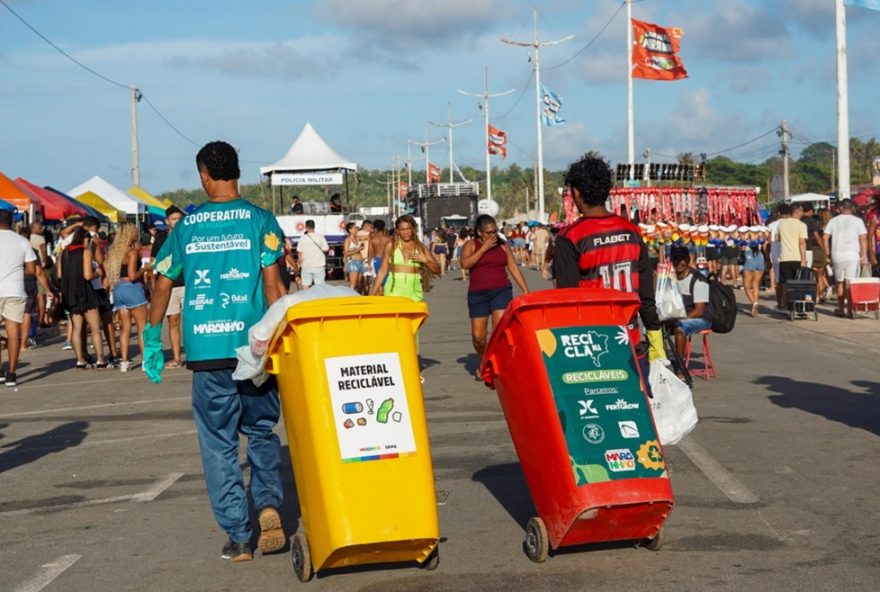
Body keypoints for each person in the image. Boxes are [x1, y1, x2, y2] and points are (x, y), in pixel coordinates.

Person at [145, 141, 287, 562]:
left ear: (204, 175)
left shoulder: (185, 228)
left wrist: (153, 339)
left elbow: (163, 284)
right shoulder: (260, 220)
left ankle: (240, 537)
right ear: (238, 173)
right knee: (261, 432)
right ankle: (267, 504)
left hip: (207, 353)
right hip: (255, 349)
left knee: (219, 444)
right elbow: (275, 286)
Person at [552, 155, 665, 366]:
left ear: (576, 192)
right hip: (631, 342)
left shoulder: (569, 237)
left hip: (592, 345)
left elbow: (566, 299)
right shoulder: (632, 232)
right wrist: (656, 341)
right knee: (638, 398)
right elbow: (647, 295)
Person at [460, 215, 528, 376]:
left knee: (499, 332)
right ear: (479, 232)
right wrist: (483, 248)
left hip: (501, 291)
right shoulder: (471, 245)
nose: (492, 235)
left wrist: (525, 290)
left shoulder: (503, 245)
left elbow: (513, 267)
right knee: (478, 337)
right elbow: (465, 264)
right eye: (488, 232)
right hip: (478, 294)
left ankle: (497, 365)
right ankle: (484, 359)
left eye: (494, 231)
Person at [58, 227, 110, 369]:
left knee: (76, 328)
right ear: (84, 239)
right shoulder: (85, 252)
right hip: (85, 292)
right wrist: (97, 272)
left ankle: (80, 360)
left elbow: (60, 275)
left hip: (70, 293)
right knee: (95, 329)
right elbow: (88, 275)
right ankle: (100, 359)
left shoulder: (65, 252)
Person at [105, 223, 149, 372]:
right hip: (132, 290)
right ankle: (145, 361)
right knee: (142, 328)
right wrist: (144, 269)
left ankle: (124, 362)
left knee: (125, 329)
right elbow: (132, 276)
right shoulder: (132, 252)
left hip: (119, 290)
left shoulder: (114, 252)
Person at [0, 210, 37, 386]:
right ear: (12, 223)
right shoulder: (22, 241)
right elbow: (31, 270)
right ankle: (12, 374)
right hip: (15, 290)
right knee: (13, 332)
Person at [370, 214, 440, 302]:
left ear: (413, 229)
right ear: (397, 230)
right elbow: (382, 272)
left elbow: (437, 270)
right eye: (402, 229)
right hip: (393, 292)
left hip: (414, 293)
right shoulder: (391, 246)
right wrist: (371, 295)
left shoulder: (420, 247)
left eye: (408, 228)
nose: (406, 232)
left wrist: (424, 260)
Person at [151, 206, 186, 367]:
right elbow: (154, 263)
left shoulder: (189, 235)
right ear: (167, 221)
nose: (177, 222)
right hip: (169, 286)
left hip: (189, 283)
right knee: (173, 320)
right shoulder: (160, 239)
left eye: (180, 218)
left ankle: (194, 355)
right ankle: (177, 357)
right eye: (174, 219)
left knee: (191, 320)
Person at [823, 199, 868, 317]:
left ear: (840, 208)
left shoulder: (833, 221)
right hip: (853, 255)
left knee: (839, 282)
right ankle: (850, 310)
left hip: (837, 255)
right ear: (852, 208)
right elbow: (863, 238)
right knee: (850, 283)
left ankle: (841, 309)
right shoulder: (858, 221)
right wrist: (864, 255)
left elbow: (825, 237)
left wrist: (827, 252)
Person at [669, 246, 714, 363]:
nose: (679, 262)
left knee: (679, 327)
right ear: (671, 260)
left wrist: (676, 319)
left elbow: (699, 311)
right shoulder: (670, 278)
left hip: (702, 319)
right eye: (676, 259)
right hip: (679, 316)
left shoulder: (698, 280)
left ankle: (680, 368)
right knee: (652, 325)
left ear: (688, 260)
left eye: (682, 259)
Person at [773, 203, 808, 310]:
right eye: (801, 211)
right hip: (797, 258)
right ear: (797, 211)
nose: (803, 213)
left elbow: (777, 238)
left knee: (785, 284)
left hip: (784, 258)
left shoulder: (782, 224)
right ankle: (797, 305)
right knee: (797, 284)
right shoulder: (801, 225)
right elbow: (802, 243)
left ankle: (785, 305)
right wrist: (803, 259)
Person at [297, 219, 330, 289]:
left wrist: (299, 263)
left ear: (306, 227)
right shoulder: (321, 237)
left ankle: (307, 299)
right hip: (319, 264)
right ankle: (319, 298)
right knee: (320, 285)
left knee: (305, 285)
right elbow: (326, 249)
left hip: (306, 264)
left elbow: (300, 253)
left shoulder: (303, 238)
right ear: (314, 227)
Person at [742, 227, 767, 317]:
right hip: (760, 259)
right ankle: (755, 304)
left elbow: (742, 248)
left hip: (749, 259)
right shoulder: (760, 237)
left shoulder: (746, 237)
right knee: (756, 285)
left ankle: (754, 303)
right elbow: (765, 247)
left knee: (747, 286)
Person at [343, 221, 366, 291]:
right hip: (353, 262)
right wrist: (358, 249)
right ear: (350, 230)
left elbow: (368, 236)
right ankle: (350, 299)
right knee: (353, 285)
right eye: (355, 228)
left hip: (361, 262)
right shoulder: (348, 240)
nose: (357, 230)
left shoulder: (357, 238)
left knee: (359, 284)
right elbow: (346, 253)